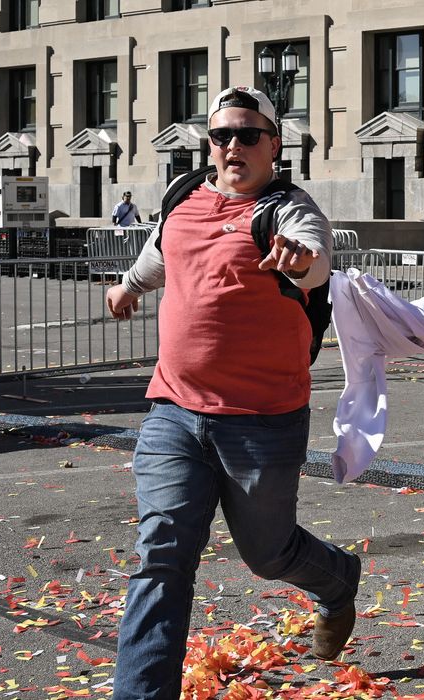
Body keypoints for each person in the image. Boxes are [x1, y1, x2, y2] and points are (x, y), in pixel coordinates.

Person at [104, 86, 359, 698]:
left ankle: (337, 579)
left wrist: (298, 261)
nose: (233, 145)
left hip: (261, 421)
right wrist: (128, 286)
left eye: (248, 134)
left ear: (274, 144)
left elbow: (316, 257)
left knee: (268, 554)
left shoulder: (287, 211)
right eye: (222, 136)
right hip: (174, 410)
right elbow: (162, 251)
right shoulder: (184, 194)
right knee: (161, 557)